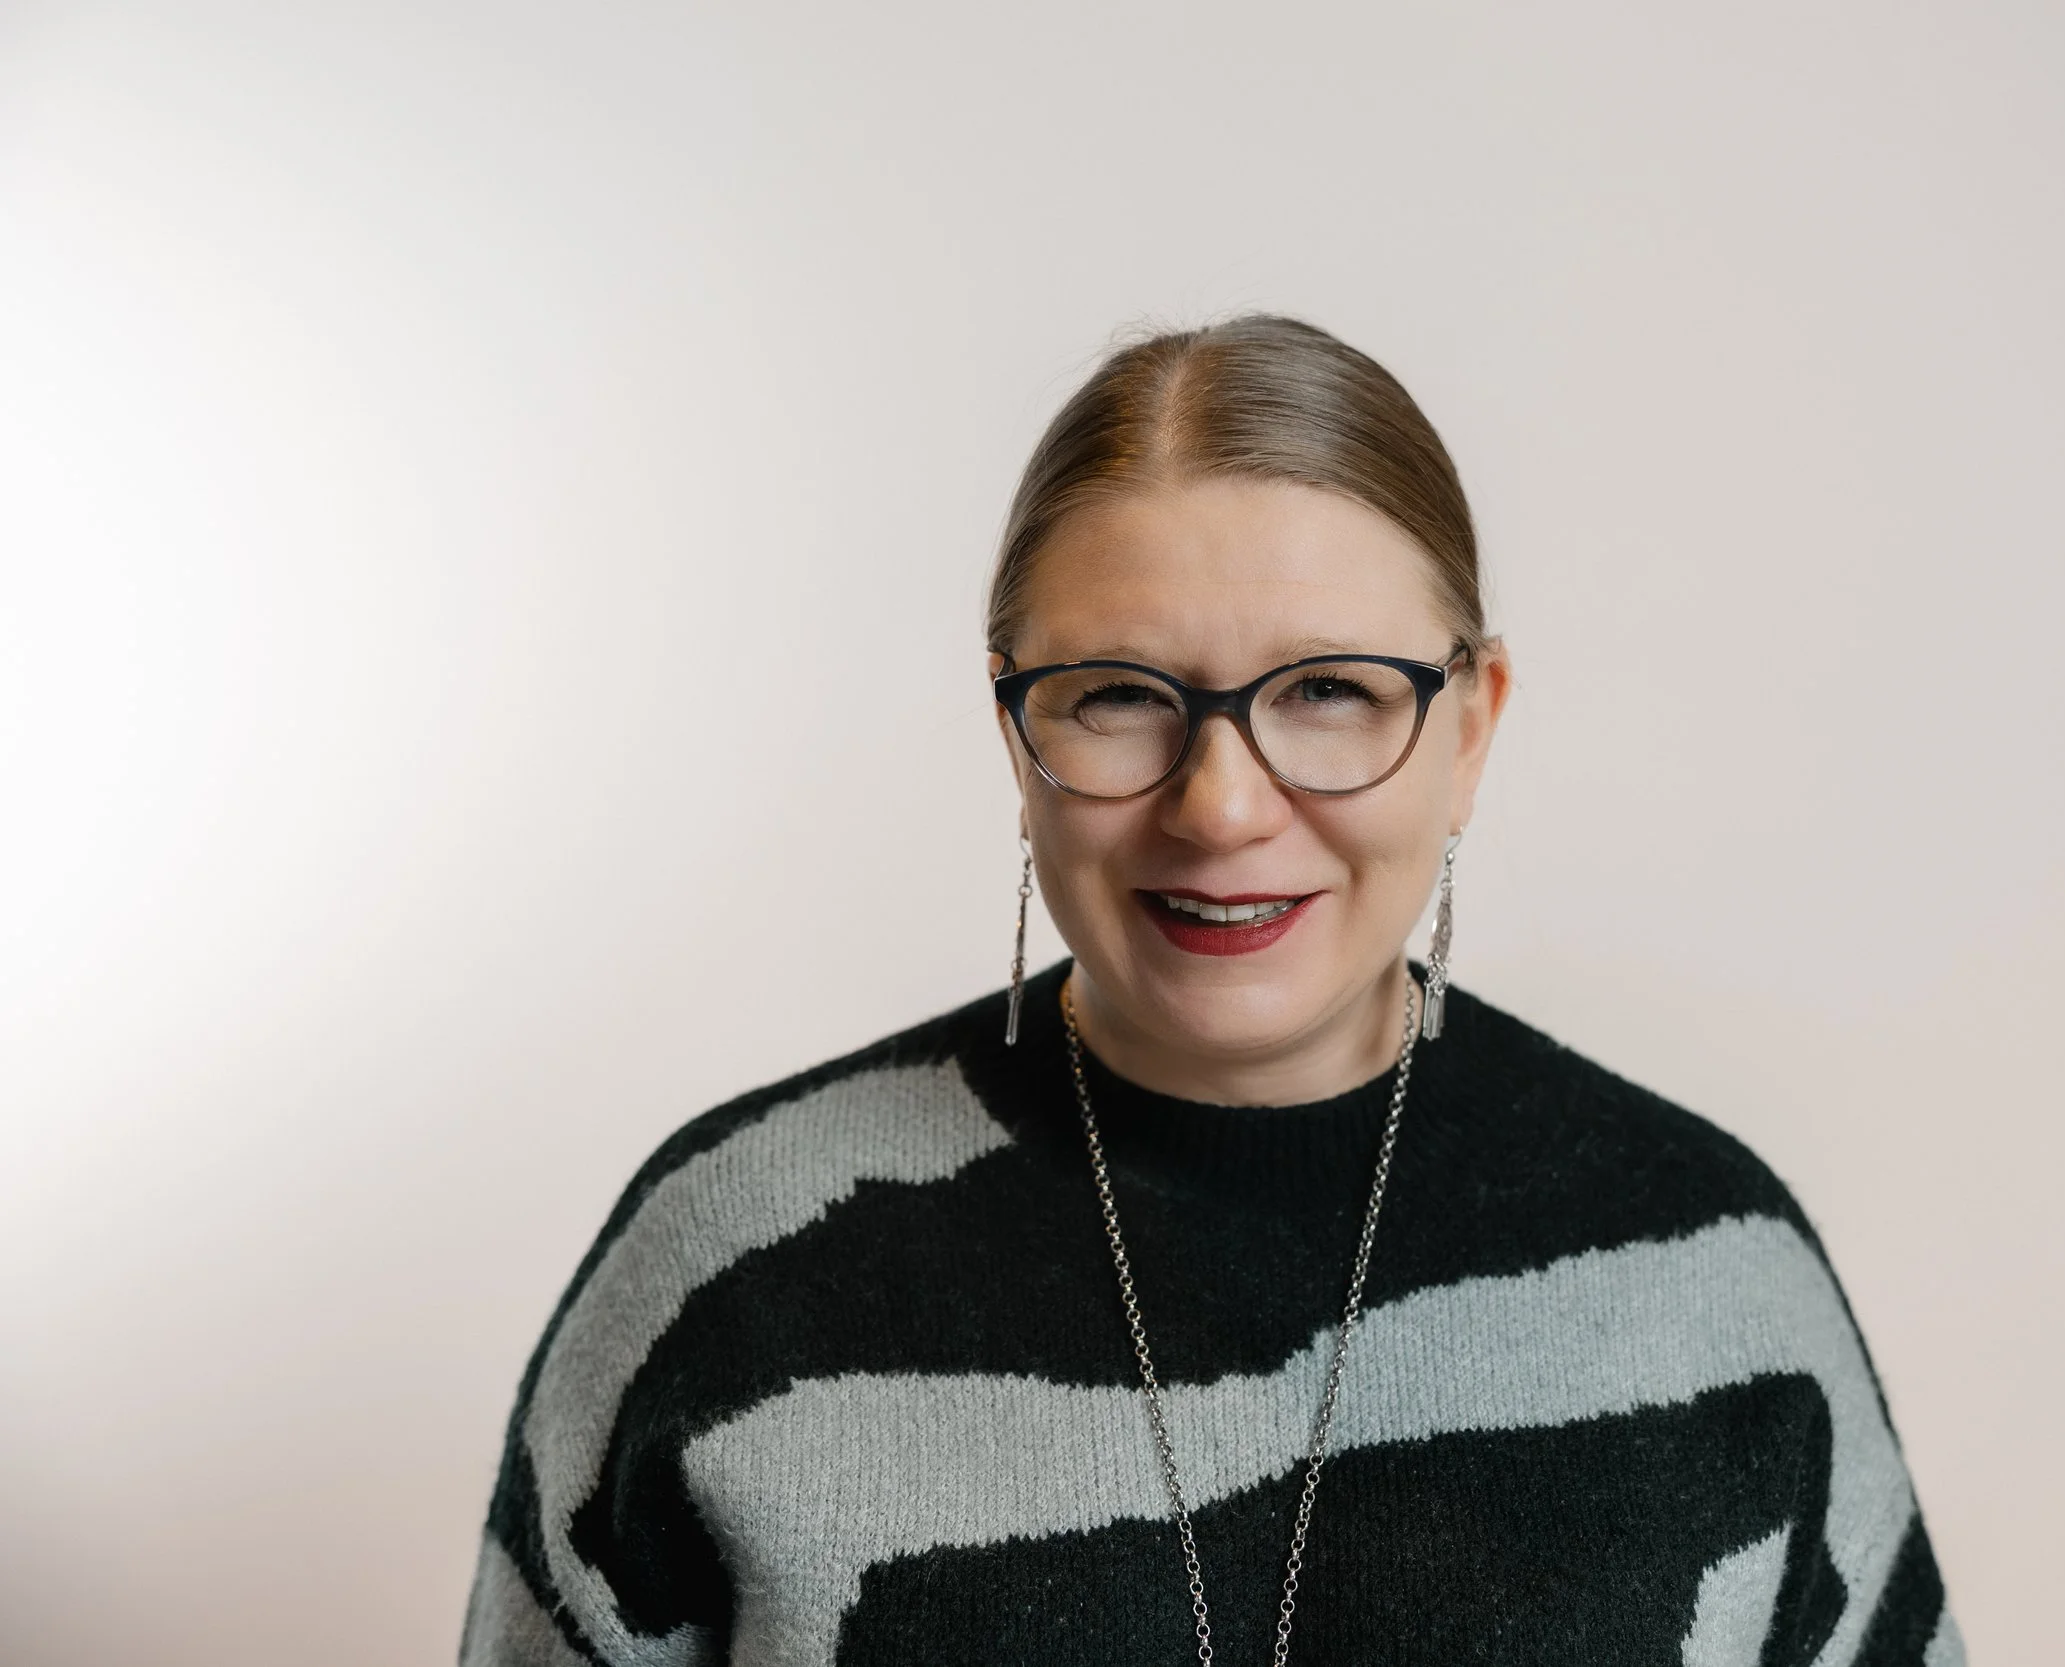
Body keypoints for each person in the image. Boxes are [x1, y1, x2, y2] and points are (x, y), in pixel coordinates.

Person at [459, 314, 1963, 1666]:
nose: (1223, 805)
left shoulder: (1708, 1275)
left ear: (1473, 726)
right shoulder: (734, 1260)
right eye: (1120, 695)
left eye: (1329, 691)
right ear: (1014, 725)